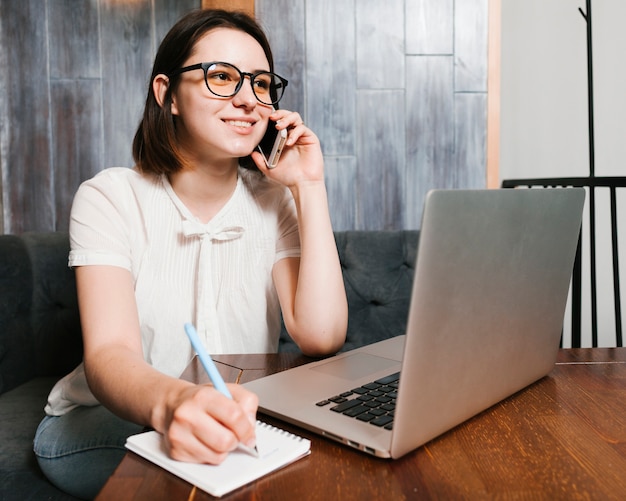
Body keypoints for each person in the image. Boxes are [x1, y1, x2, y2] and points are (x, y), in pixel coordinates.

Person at [33, 9, 348, 499]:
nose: (248, 99)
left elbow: (321, 335)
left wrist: (309, 186)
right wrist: (178, 403)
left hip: (231, 410)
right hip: (107, 420)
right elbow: (109, 354)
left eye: (261, 84)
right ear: (167, 94)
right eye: (222, 77)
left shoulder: (273, 199)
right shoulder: (110, 196)